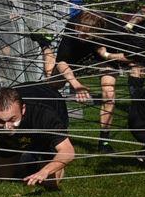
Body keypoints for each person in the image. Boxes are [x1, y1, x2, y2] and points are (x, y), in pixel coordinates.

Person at [0, 83, 74, 191]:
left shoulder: (44, 113)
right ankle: (27, 159)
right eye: (0, 121)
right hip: (9, 138)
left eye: (12, 119)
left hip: (50, 101)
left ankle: (39, 158)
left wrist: (45, 171)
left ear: (23, 109)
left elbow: (68, 151)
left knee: (50, 182)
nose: (7, 127)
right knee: (4, 178)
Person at [52, 11, 121, 151]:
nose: (81, 36)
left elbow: (128, 54)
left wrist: (107, 55)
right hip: (77, 51)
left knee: (109, 93)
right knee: (54, 84)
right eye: (79, 32)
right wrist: (76, 84)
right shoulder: (73, 27)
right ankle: (44, 46)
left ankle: (104, 141)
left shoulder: (113, 27)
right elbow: (61, 62)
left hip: (102, 51)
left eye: (85, 35)